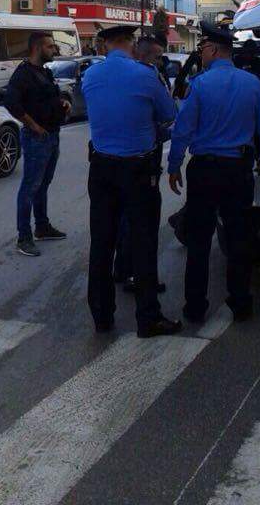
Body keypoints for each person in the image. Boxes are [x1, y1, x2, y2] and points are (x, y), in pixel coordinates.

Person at [168, 21, 260, 323]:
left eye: (202, 48)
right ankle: (241, 304)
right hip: (238, 170)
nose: (200, 53)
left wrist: (174, 165)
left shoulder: (200, 85)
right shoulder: (253, 83)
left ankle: (194, 308)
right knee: (238, 239)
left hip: (204, 171)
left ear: (215, 49)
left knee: (199, 241)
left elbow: (182, 131)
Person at [82, 24, 180, 337]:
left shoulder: (90, 76)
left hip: (100, 168)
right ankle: (148, 318)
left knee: (101, 243)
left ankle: (101, 316)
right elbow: (168, 115)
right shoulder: (145, 76)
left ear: (104, 46)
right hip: (138, 170)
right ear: (130, 43)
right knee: (143, 242)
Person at [3, 32, 70, 257]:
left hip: (52, 135)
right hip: (37, 138)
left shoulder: (44, 73)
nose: (55, 50)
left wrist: (63, 103)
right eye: (50, 47)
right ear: (37, 48)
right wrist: (33, 126)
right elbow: (11, 103)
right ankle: (24, 237)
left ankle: (42, 226)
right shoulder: (23, 74)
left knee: (43, 184)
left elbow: (51, 97)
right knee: (30, 187)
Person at [115, 31, 170, 293]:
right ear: (147, 55)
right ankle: (135, 275)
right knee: (139, 221)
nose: (161, 61)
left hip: (131, 155)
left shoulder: (141, 75)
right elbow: (166, 113)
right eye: (158, 56)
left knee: (129, 216)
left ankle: (124, 269)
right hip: (141, 156)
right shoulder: (145, 77)